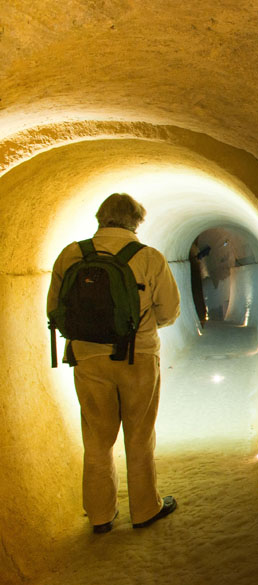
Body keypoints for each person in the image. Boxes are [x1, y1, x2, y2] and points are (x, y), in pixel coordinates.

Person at [47, 193, 181, 533]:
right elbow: (169, 311)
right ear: (136, 221)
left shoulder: (71, 254)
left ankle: (100, 515)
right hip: (137, 356)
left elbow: (54, 310)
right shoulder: (149, 257)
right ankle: (145, 510)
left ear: (99, 218)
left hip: (87, 358)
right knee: (139, 435)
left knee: (96, 438)